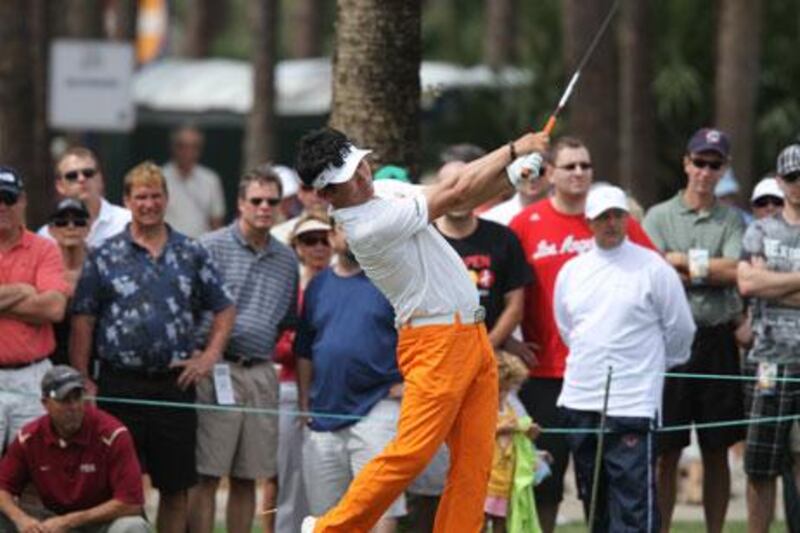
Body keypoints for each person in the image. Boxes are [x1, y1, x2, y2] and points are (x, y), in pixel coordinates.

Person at [294, 126, 548, 532]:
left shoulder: (384, 192)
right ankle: (329, 528)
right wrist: (514, 149)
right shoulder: (367, 225)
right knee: (411, 452)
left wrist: (513, 175)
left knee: (473, 462)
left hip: (471, 336)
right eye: (348, 179)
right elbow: (456, 194)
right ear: (327, 196)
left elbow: (460, 196)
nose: (362, 177)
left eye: (360, 166)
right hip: (435, 342)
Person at [70, 162, 236, 533]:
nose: (149, 203)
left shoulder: (190, 252)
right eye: (141, 196)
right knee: (120, 485)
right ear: (127, 200)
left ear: (166, 199)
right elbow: (84, 320)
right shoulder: (105, 254)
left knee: (175, 487)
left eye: (156, 195)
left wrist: (209, 356)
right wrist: (84, 378)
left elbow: (224, 307)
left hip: (174, 384)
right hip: (119, 384)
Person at [508, 137, 655, 532]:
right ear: (550, 172)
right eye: (569, 166)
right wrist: (509, 341)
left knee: (605, 483)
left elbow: (655, 279)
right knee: (545, 481)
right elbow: (506, 292)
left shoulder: (614, 220)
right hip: (545, 374)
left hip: (605, 377)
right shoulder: (525, 224)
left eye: (585, 166)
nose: (578, 173)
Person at [554, 185, 696, 532]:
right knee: (594, 500)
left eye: (618, 215)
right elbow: (567, 328)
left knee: (634, 507)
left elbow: (681, 330)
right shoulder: (572, 271)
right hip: (581, 398)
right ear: (589, 222)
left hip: (633, 403)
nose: (612, 223)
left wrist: (654, 368)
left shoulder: (653, 268)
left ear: (628, 219)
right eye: (603, 217)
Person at [642, 128, 745, 533]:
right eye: (699, 162)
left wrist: (682, 261)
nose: (705, 171)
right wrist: (707, 268)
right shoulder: (658, 216)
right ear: (686, 163)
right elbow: (656, 271)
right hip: (669, 341)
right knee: (667, 450)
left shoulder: (731, 219)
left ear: (723, 170)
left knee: (718, 448)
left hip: (717, 337)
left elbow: (735, 270)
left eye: (713, 164)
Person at [187, 167, 298, 533]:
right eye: (256, 200)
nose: (265, 207)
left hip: (261, 371)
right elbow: (188, 309)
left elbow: (285, 320)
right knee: (207, 473)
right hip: (218, 367)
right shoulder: (209, 246)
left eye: (272, 201)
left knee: (249, 475)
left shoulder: (286, 260)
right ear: (240, 204)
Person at [296, 222, 405, 533]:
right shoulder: (318, 285)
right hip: (324, 413)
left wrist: (410, 382)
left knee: (379, 506)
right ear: (334, 236)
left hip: (378, 407)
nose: (355, 235)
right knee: (326, 517)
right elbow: (304, 349)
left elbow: (420, 337)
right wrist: (305, 402)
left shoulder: (391, 281)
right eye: (347, 229)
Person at [0, 365, 149, 532]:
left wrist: (71, 520)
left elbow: (132, 503)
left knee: (132, 526)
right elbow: (3, 488)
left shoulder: (113, 434)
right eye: (64, 400)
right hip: (53, 520)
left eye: (77, 397)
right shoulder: (28, 438)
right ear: (45, 404)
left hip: (102, 523)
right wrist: (22, 519)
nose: (73, 407)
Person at [738, 143, 800, 533]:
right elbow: (746, 282)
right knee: (759, 466)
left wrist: (771, 283)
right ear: (780, 182)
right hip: (767, 360)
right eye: (792, 178)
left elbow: (760, 282)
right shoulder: (760, 229)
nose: (798, 185)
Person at [272, 213, 333, 533]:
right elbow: (275, 345)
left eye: (325, 238)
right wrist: (305, 343)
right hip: (291, 389)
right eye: (310, 240)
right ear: (297, 246)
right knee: (292, 479)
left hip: (336, 392)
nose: (319, 247)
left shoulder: (345, 281)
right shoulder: (288, 287)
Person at [0, 166, 69, 448]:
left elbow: (53, 309)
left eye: (9, 198)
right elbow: (41, 303)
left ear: (23, 201)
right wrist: (23, 290)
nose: (2, 206)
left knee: (34, 475)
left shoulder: (44, 248)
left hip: (32, 376)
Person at [485, 351, 542, 533]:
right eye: (499, 389)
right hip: (485, 479)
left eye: (507, 389)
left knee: (502, 523)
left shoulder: (509, 408)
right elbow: (479, 435)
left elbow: (518, 440)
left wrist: (529, 435)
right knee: (479, 522)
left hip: (505, 478)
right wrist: (504, 428)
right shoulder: (482, 408)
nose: (503, 394)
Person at [38, 147, 131, 247]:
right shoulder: (46, 236)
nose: (81, 179)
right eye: (72, 175)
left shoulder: (127, 222)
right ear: (60, 186)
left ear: (100, 179)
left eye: (88, 173)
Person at [47, 198, 91, 366]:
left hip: (94, 360)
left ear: (88, 228)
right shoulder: (40, 266)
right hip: (50, 358)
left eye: (78, 222)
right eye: (62, 222)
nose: (70, 227)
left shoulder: (102, 265)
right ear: (51, 230)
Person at [162, 125, 226, 238]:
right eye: (182, 146)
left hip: (199, 248)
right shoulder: (159, 178)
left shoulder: (210, 180)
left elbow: (216, 221)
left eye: (194, 147)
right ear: (173, 148)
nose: (188, 152)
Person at [271, 168, 330, 245]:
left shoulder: (348, 229)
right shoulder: (277, 235)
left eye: (322, 187)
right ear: (299, 192)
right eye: (308, 188)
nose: (315, 193)